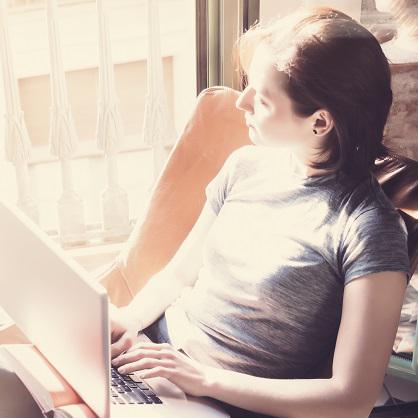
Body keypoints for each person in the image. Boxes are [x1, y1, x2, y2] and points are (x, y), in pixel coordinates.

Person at [0, 5, 411, 418]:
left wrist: (201, 378)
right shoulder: (245, 166)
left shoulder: (368, 228)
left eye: (262, 99)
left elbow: (351, 399)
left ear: (320, 122)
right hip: (154, 358)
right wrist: (128, 320)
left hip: (220, 398)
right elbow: (180, 274)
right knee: (8, 381)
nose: (242, 102)